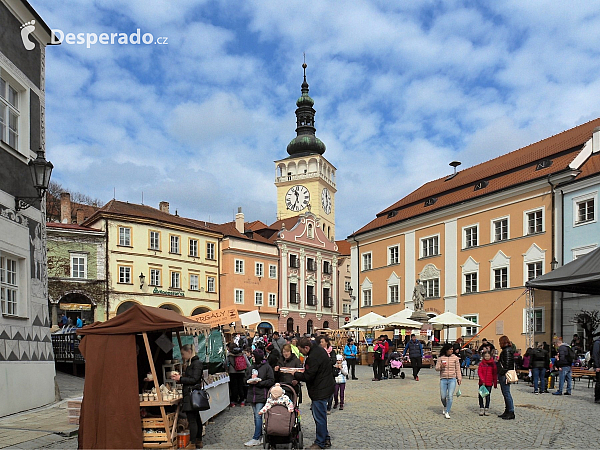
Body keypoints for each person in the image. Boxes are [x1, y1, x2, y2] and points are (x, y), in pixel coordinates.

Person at [294, 337, 334, 450]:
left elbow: (308, 376)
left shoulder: (313, 357)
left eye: (301, 350)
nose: (301, 353)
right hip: (325, 387)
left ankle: (320, 443)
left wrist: (296, 374)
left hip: (320, 390)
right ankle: (325, 439)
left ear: (306, 347)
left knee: (319, 418)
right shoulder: (319, 350)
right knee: (321, 416)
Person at [171, 345, 204, 449]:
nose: (182, 356)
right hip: (191, 394)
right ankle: (198, 440)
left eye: (183, 354)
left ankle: (193, 442)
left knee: (192, 419)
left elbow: (194, 379)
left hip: (191, 394)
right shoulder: (193, 363)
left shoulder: (196, 363)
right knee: (196, 418)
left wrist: (180, 379)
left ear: (189, 351)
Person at [244, 349, 275, 447]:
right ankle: (260, 436)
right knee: (256, 416)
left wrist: (260, 383)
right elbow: (245, 379)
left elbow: (271, 380)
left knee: (258, 416)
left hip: (262, 394)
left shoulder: (267, 367)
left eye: (254, 356)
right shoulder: (251, 367)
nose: (252, 358)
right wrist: (249, 380)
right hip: (251, 394)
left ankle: (256, 437)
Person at [436, 343, 461, 419]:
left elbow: (458, 369)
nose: (451, 351)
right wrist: (441, 366)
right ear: (446, 350)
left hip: (452, 379)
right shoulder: (441, 358)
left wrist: (459, 378)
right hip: (443, 379)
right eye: (450, 349)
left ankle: (447, 411)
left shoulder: (455, 358)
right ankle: (445, 405)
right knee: (443, 396)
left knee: (450, 396)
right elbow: (436, 368)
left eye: (452, 349)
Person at [497, 335, 515, 420]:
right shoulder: (507, 350)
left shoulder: (507, 351)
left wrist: (501, 372)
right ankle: (507, 410)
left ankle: (511, 411)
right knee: (505, 393)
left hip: (505, 374)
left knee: (507, 393)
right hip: (504, 374)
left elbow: (507, 365)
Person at [319, 336, 336, 413]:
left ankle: (328, 407)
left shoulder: (332, 351)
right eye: (320, 342)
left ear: (326, 342)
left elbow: (334, 361)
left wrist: (326, 361)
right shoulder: (319, 351)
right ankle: (322, 406)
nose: (321, 343)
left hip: (330, 373)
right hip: (321, 373)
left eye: (322, 342)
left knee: (330, 390)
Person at [477, 351, 497, 416]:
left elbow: (494, 374)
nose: (487, 357)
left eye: (488, 356)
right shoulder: (481, 364)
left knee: (487, 396)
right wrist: (482, 380)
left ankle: (487, 408)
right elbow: (479, 372)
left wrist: (495, 382)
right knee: (481, 395)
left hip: (489, 382)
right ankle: (481, 408)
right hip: (482, 383)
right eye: (485, 356)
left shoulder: (493, 364)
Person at [592, 334, 600, 403]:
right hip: (599, 366)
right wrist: (597, 366)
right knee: (599, 382)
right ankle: (597, 397)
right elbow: (595, 355)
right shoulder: (597, 343)